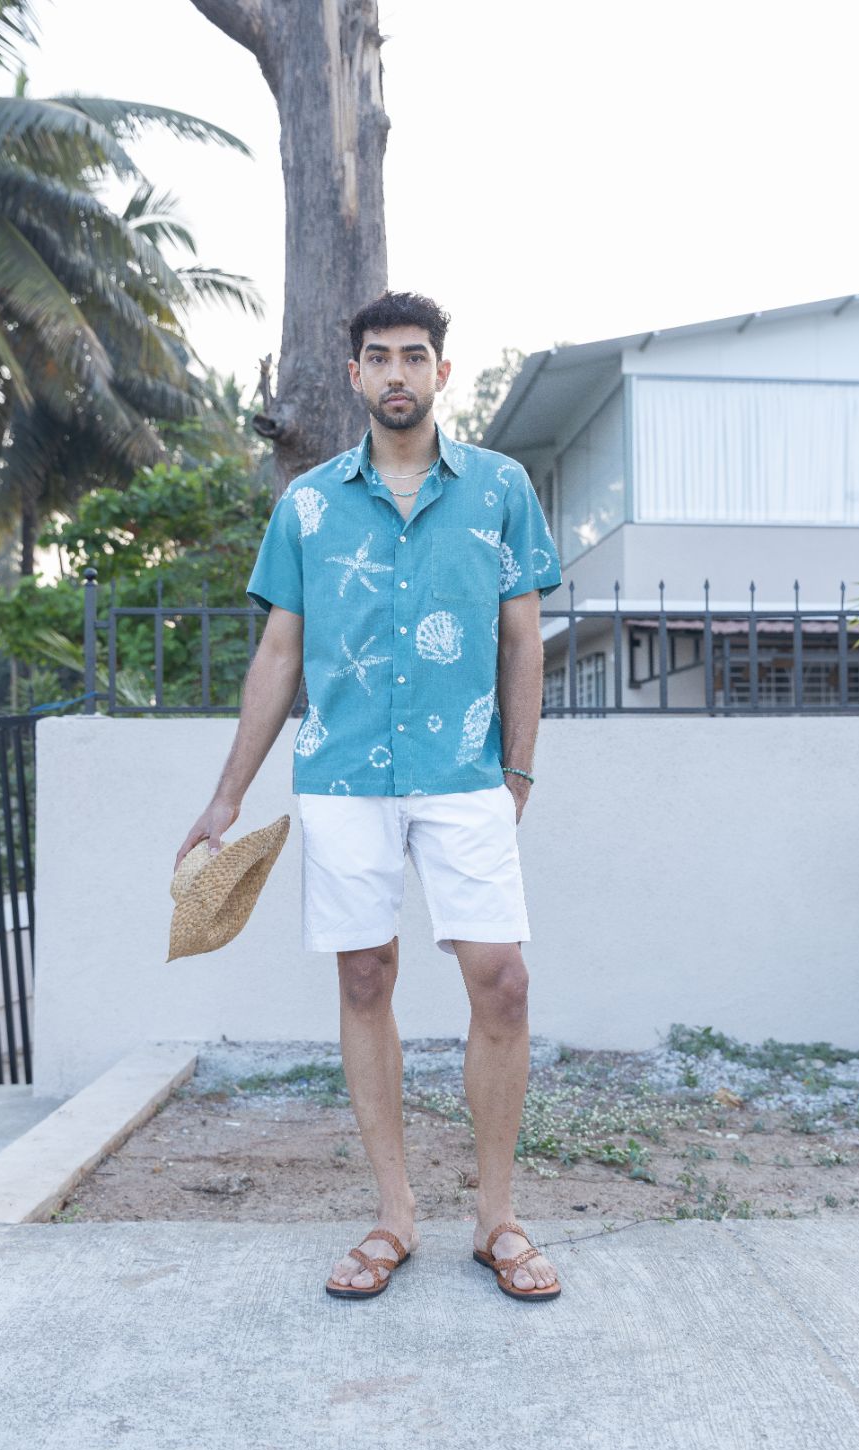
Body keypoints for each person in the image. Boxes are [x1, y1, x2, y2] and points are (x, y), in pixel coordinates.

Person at [174, 291, 564, 1300]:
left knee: (503, 983)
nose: (397, 373)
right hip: (344, 776)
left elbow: (523, 639)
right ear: (354, 375)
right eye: (380, 357)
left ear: (441, 371)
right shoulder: (307, 505)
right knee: (362, 980)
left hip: (465, 775)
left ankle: (497, 1218)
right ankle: (394, 1215)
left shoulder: (500, 488)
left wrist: (519, 770)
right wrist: (226, 797)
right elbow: (279, 652)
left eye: (415, 356)